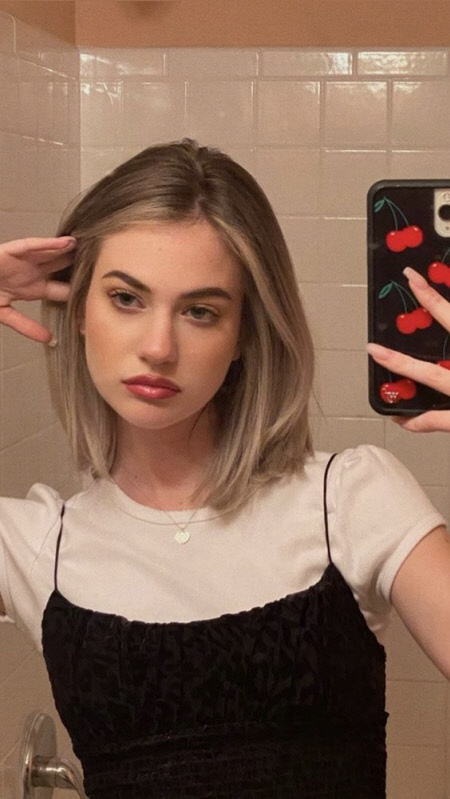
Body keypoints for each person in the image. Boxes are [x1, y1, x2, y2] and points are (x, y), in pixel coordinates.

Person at [0, 139, 448, 799]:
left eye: (200, 311)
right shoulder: (35, 544)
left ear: (243, 335)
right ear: (80, 311)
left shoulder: (353, 501)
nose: (159, 347)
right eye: (126, 298)